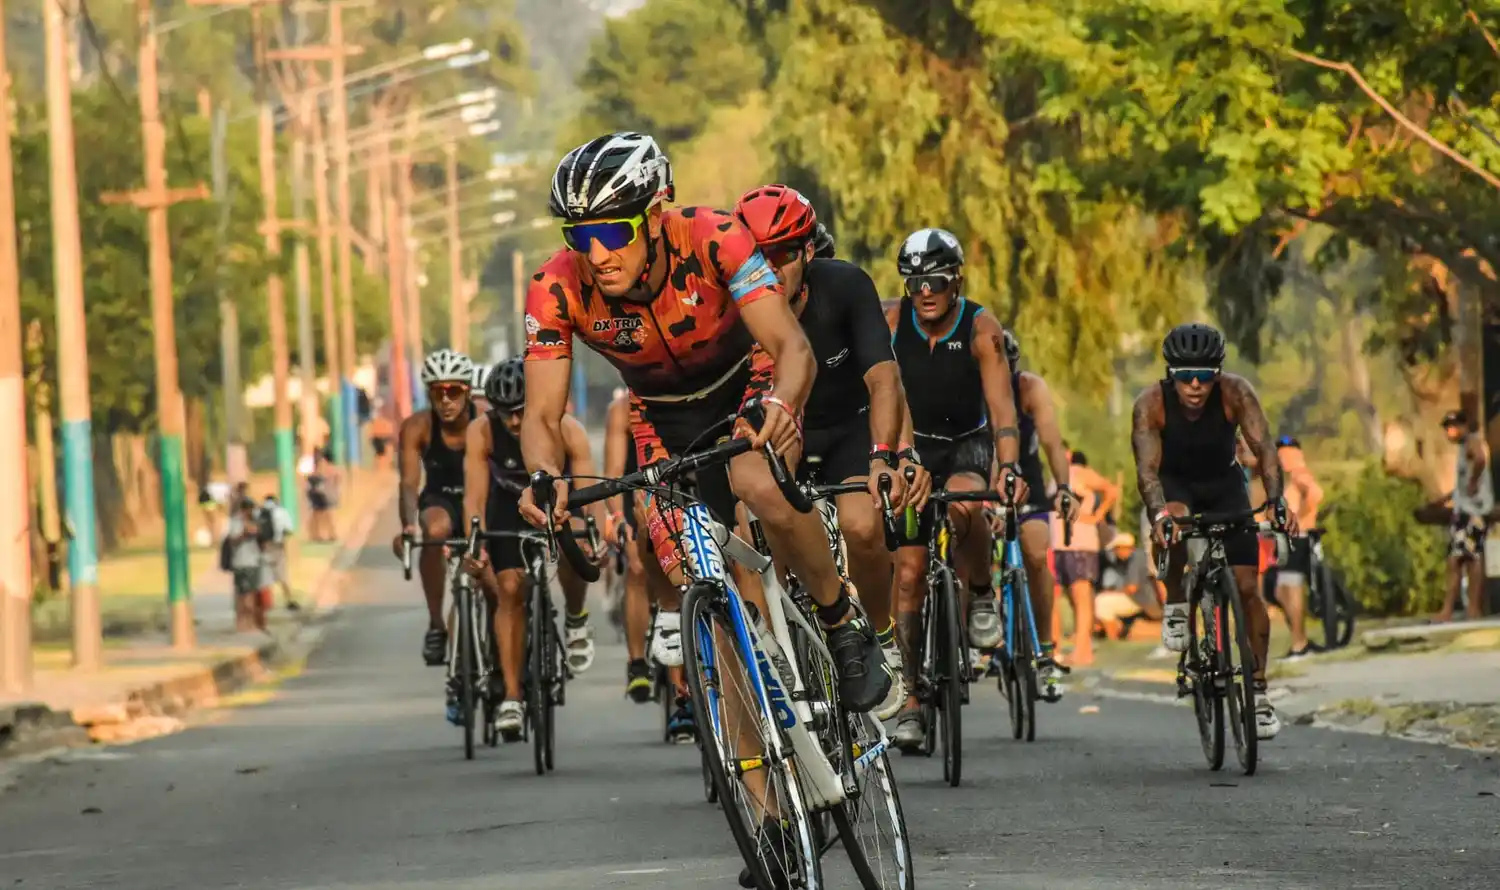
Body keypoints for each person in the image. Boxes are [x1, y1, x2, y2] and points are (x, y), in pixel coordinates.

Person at [520, 132, 892, 730]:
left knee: (756, 482)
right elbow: (542, 415)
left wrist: (782, 404)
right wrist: (543, 475)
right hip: (660, 415)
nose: (598, 254)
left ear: (654, 216)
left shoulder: (714, 237)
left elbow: (792, 347)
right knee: (707, 592)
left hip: (748, 384)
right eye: (580, 237)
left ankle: (840, 620)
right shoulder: (555, 287)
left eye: (612, 232)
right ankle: (758, 784)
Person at [733, 184, 916, 719]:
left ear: (808, 252)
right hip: (780, 427)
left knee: (862, 526)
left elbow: (884, 380)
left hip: (847, 427)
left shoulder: (846, 286)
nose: (770, 270)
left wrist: (884, 457)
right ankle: (786, 644)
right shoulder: (732, 304)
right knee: (759, 520)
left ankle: (880, 636)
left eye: (783, 256)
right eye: (758, 257)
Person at [885, 227, 1031, 748]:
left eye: (937, 281)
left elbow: (1003, 410)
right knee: (908, 574)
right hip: (913, 446)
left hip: (967, 442)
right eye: (915, 283)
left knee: (967, 504)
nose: (926, 292)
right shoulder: (891, 323)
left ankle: (982, 592)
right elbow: (877, 391)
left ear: (957, 282)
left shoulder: (981, 328)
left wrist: (1008, 467)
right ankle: (910, 698)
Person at [1131, 322, 1294, 740]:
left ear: (1218, 374)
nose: (1195, 385)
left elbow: (1265, 448)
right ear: (1171, 374)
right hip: (1176, 486)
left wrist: (1276, 500)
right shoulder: (1151, 403)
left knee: (1248, 587)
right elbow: (1147, 471)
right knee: (1174, 522)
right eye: (1186, 375)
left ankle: (1258, 693)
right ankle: (1176, 601)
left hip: (1224, 485)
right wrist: (1158, 515)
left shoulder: (1236, 393)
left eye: (1205, 375)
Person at [462, 358, 604, 737]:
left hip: (557, 502)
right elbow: (475, 496)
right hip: (507, 507)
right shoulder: (481, 431)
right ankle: (512, 696)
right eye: (504, 412)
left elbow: (591, 493)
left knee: (577, 541)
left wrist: (597, 534)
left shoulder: (567, 429)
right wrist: (476, 541)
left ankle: (575, 617)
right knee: (509, 589)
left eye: (520, 411)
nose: (513, 421)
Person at [392, 348, 491, 668]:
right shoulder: (417, 426)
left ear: (468, 392)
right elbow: (409, 484)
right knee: (435, 531)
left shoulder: (487, 421)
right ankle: (436, 624)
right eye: (438, 392)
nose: (446, 400)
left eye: (454, 391)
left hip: (483, 499)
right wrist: (408, 527)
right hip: (441, 500)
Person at [990, 330, 1073, 700]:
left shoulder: (1029, 388)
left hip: (1028, 480)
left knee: (1037, 554)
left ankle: (1046, 652)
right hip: (982, 478)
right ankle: (977, 633)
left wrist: (1064, 487)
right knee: (965, 543)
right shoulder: (967, 390)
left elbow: (1052, 441)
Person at [602, 386, 658, 704]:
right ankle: (637, 663)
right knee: (637, 567)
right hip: (633, 492)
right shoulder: (621, 411)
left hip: (674, 486)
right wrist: (618, 520)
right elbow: (612, 477)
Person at [1050, 449, 1118, 668]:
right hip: (1057, 544)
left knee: (1081, 596)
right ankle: (1061, 647)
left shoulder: (1080, 472)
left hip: (1080, 543)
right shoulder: (1053, 477)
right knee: (1060, 596)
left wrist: (1097, 516)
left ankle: (1082, 650)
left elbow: (1111, 490)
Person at [1268, 435, 1324, 656]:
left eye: (1286, 454)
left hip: (1299, 537)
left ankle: (1300, 645)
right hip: (1289, 539)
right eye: (1280, 455)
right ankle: (1299, 640)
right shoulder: (1291, 477)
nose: (1282, 459)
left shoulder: (1300, 474)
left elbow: (1316, 494)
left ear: (1297, 454)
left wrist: (1299, 517)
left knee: (1291, 590)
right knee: (1280, 592)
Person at [1438, 410, 1493, 622]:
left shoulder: (1472, 441)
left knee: (1458, 560)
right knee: (1468, 558)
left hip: (1473, 512)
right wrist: (1445, 500)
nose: (1449, 432)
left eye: (1453, 427)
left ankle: (1452, 611)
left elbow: (1479, 459)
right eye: (1447, 428)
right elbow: (1464, 480)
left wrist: (1473, 482)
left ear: (1463, 426)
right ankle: (1471, 609)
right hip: (1467, 510)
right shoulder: (1463, 448)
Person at [1095, 532, 1161, 639]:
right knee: (1102, 600)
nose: (1115, 552)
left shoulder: (1136, 558)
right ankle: (1112, 631)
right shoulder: (1136, 556)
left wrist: (1112, 592)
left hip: (1143, 600)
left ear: (1123, 548)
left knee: (1102, 601)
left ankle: (1114, 635)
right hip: (1142, 599)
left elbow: (1132, 588)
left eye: (1116, 549)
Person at [225, 498, 268, 634]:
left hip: (253, 562)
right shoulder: (235, 522)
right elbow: (232, 541)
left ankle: (251, 622)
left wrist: (258, 533)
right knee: (241, 594)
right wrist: (245, 533)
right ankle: (241, 622)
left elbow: (262, 543)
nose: (250, 512)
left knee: (251, 594)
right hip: (240, 562)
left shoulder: (256, 522)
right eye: (249, 510)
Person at [260, 494, 297, 611]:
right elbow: (289, 530)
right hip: (277, 547)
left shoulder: (259, 512)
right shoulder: (281, 512)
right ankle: (289, 600)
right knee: (283, 575)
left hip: (263, 547)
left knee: (264, 575)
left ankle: (265, 602)